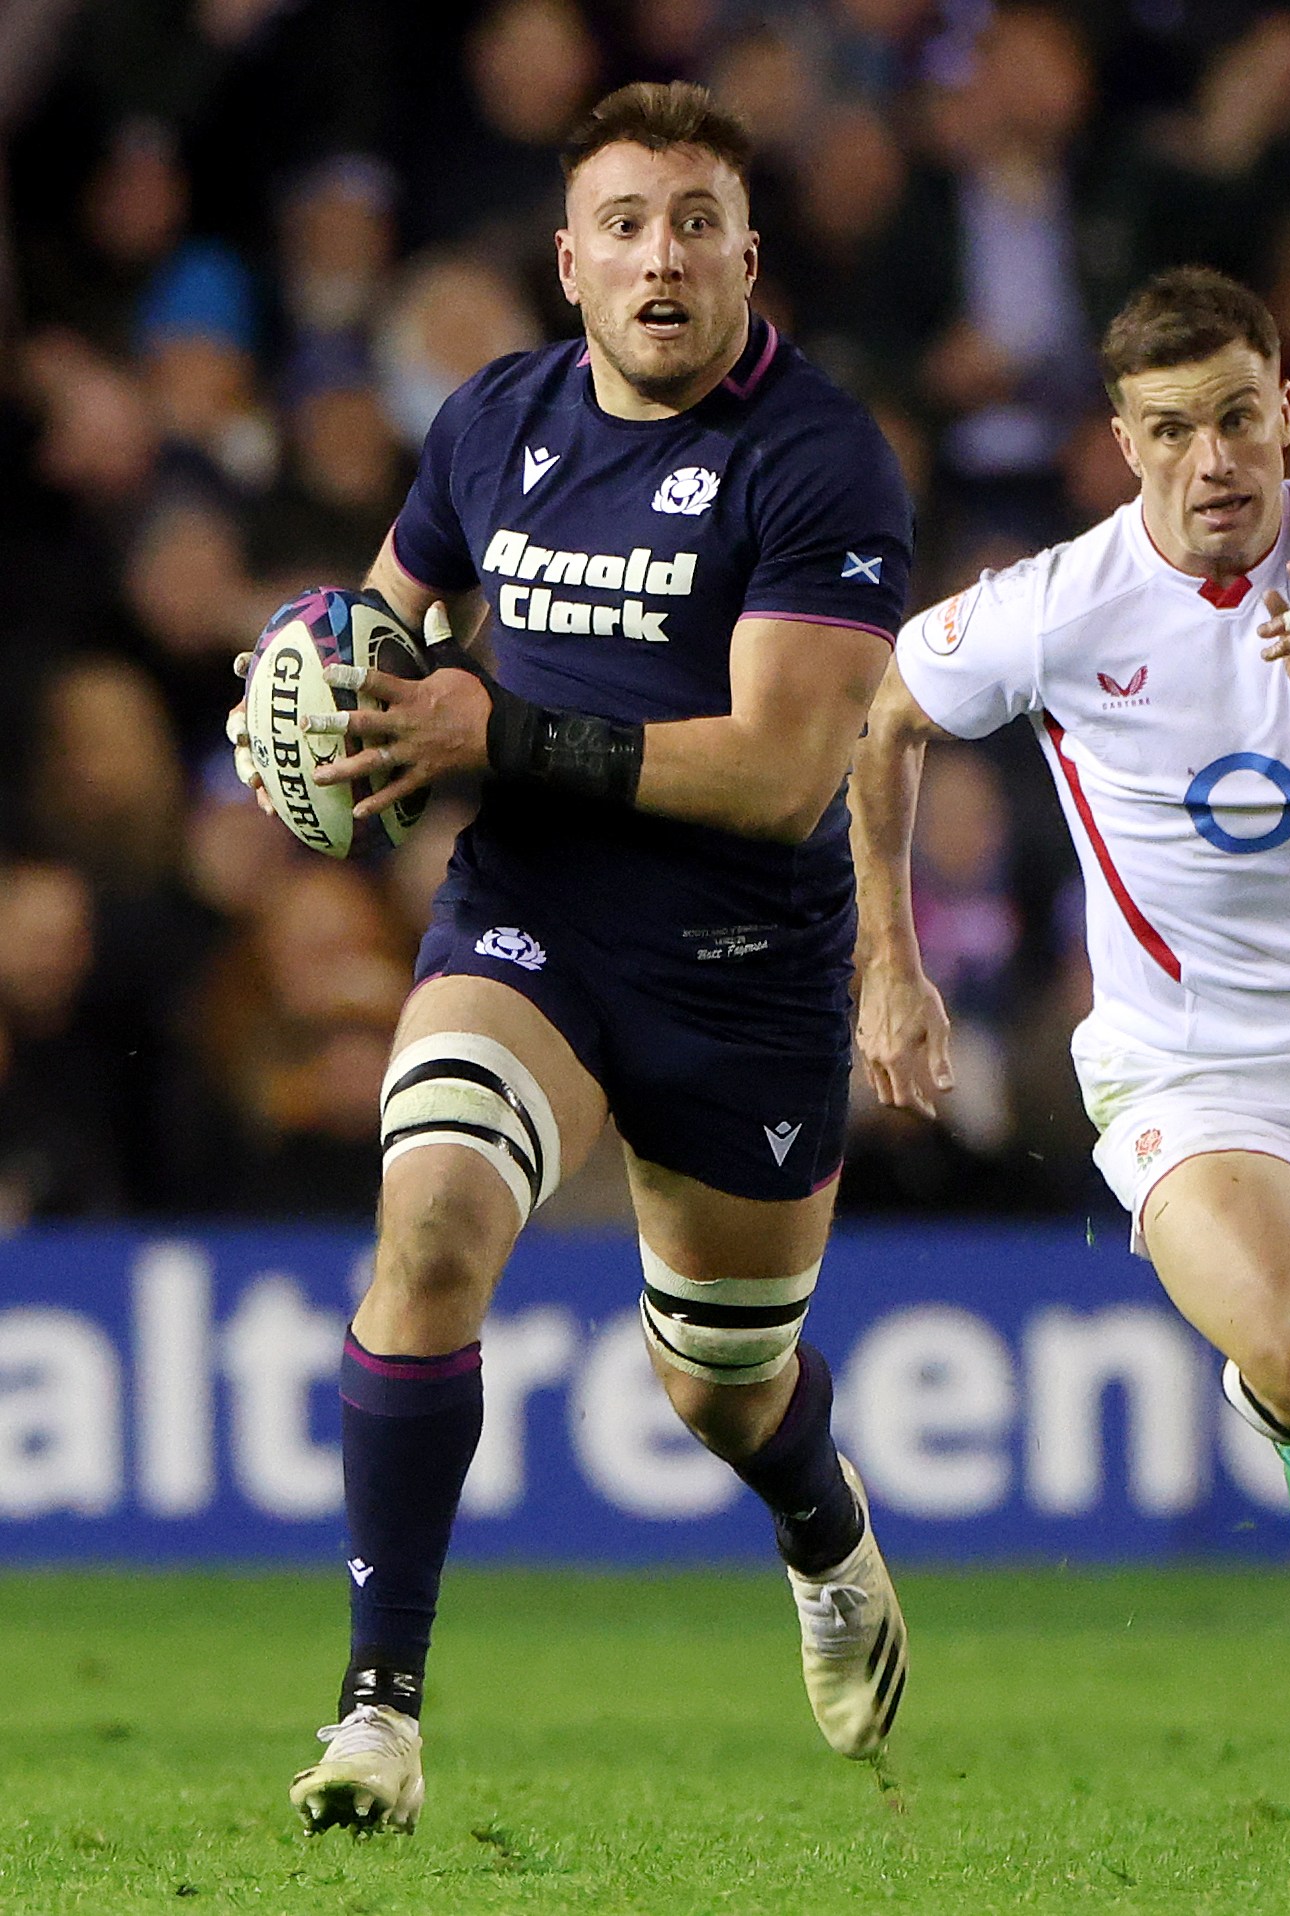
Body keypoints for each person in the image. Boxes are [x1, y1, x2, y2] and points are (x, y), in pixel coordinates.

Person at [231, 82, 915, 1832]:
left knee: (719, 1384)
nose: (660, 257)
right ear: (569, 264)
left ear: (748, 256)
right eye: (624, 225)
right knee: (432, 1218)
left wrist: (497, 728)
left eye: (695, 223)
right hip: (529, 921)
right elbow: (386, 621)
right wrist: (318, 697)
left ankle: (819, 1522)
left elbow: (781, 776)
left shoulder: (820, 458)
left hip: (743, 967)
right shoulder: (491, 420)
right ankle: (377, 1712)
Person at [850, 267, 1290, 1845]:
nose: (1213, 459)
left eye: (1238, 416)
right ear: (1124, 443)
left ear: (1284, 409)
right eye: (1171, 429)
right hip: (1187, 1067)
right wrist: (889, 966)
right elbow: (886, 716)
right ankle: (1288, 1413)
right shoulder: (1060, 603)